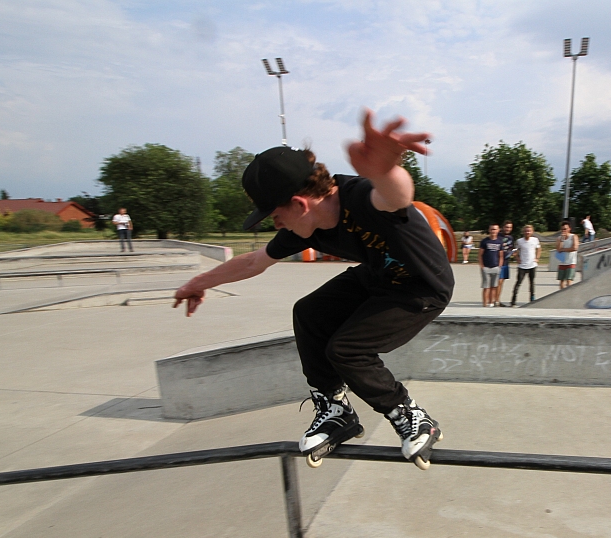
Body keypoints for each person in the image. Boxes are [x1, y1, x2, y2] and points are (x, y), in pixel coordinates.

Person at [173, 110, 452, 471]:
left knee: (347, 349)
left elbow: (396, 197)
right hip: (376, 279)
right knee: (309, 312)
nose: (277, 226)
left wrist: (384, 170)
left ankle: (411, 416)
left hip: (421, 289)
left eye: (276, 217)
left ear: (299, 204)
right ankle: (336, 411)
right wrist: (198, 283)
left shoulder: (363, 196)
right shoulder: (304, 226)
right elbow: (253, 262)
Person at [510, 224, 541, 305]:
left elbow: (539, 249)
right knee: (518, 282)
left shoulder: (535, 240)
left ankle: (532, 299)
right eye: (526, 231)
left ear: (532, 232)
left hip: (532, 265)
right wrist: (517, 258)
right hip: (522, 265)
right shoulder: (520, 241)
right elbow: (515, 251)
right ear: (523, 232)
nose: (527, 232)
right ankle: (513, 300)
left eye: (529, 231)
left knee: (532, 282)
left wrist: (537, 258)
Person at [479, 224, 504, 307]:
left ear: (498, 230)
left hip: (496, 267)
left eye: (495, 229)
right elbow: (480, 255)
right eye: (492, 229)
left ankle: (491, 302)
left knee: (494, 286)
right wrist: (482, 266)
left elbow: (501, 255)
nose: (493, 231)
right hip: (486, 267)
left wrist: (500, 266)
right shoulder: (485, 241)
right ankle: (485, 304)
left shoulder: (499, 242)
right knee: (486, 287)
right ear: (489, 230)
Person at [554, 221, 578, 289]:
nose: (563, 230)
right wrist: (562, 239)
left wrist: (564, 249)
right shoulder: (559, 238)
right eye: (562, 229)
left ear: (569, 229)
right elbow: (558, 249)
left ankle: (569, 295)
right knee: (561, 281)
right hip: (562, 262)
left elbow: (575, 248)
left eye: (565, 229)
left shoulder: (573, 236)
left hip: (571, 262)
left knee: (569, 280)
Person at [496, 221, 515, 306]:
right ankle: (494, 300)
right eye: (506, 227)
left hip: (506, 262)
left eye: (510, 227)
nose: (508, 229)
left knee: (501, 282)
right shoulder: (497, 236)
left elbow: (511, 248)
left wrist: (514, 253)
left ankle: (497, 300)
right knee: (498, 282)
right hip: (498, 262)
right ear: (503, 227)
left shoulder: (511, 238)